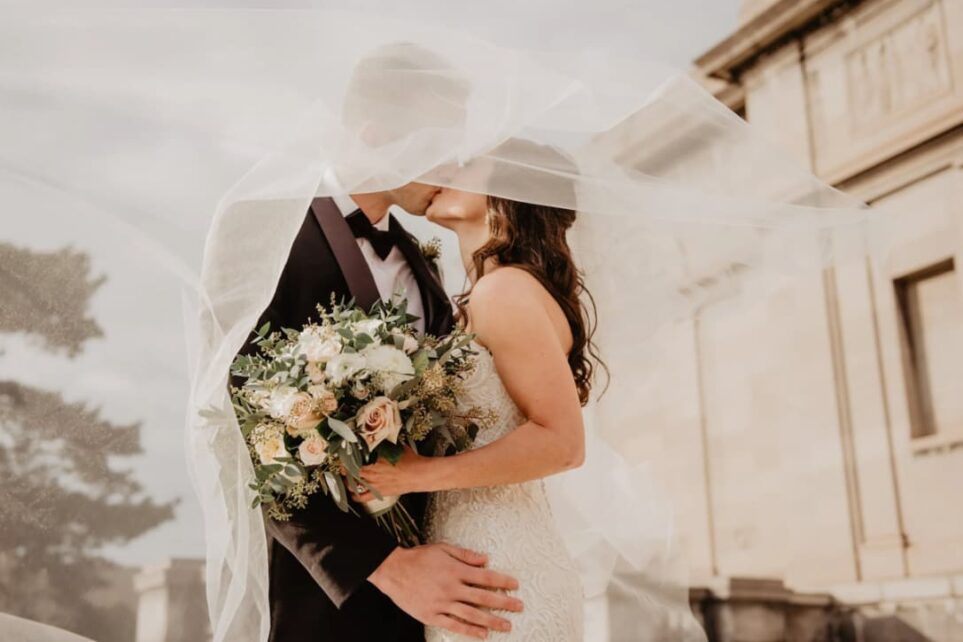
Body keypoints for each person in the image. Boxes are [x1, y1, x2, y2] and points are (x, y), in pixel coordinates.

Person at [239, 44, 523, 642]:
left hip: (440, 596)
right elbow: (241, 430)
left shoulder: (426, 268)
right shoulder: (265, 233)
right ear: (375, 135)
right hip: (323, 602)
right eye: (438, 145)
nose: (452, 167)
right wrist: (387, 568)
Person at [354, 143, 598, 641]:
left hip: (502, 569)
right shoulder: (489, 292)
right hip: (474, 562)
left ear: (508, 191)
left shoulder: (504, 291)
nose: (444, 169)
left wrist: (416, 475)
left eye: (466, 165)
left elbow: (563, 442)